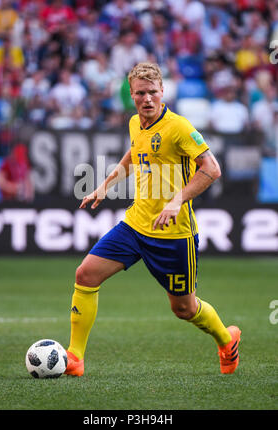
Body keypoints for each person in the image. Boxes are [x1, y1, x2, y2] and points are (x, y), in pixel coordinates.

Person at [65, 62, 241, 377]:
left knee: (184, 309)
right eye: (140, 93)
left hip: (174, 235)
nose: (147, 99)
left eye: (153, 92)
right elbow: (134, 154)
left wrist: (176, 201)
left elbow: (212, 169)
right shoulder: (135, 123)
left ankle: (227, 340)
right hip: (135, 224)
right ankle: (74, 359)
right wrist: (105, 186)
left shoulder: (179, 127)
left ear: (163, 92)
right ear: (132, 96)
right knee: (86, 274)